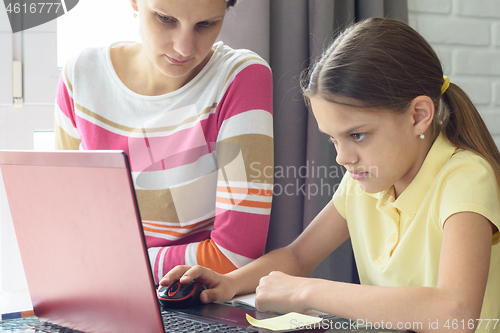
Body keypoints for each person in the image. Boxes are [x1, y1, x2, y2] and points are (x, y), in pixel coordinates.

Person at [161, 18, 500, 333]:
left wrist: (308, 291)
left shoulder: (465, 177)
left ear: (418, 116)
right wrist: (230, 281)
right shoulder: (367, 177)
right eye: (333, 139)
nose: (342, 157)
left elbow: (456, 313)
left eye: (358, 135)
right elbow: (298, 256)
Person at [54, 0, 274, 284]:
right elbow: (66, 227)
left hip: (188, 302)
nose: (184, 47)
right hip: (94, 294)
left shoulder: (240, 77)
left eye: (206, 24)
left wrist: (105, 264)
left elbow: (234, 258)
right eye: (165, 19)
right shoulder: (80, 76)